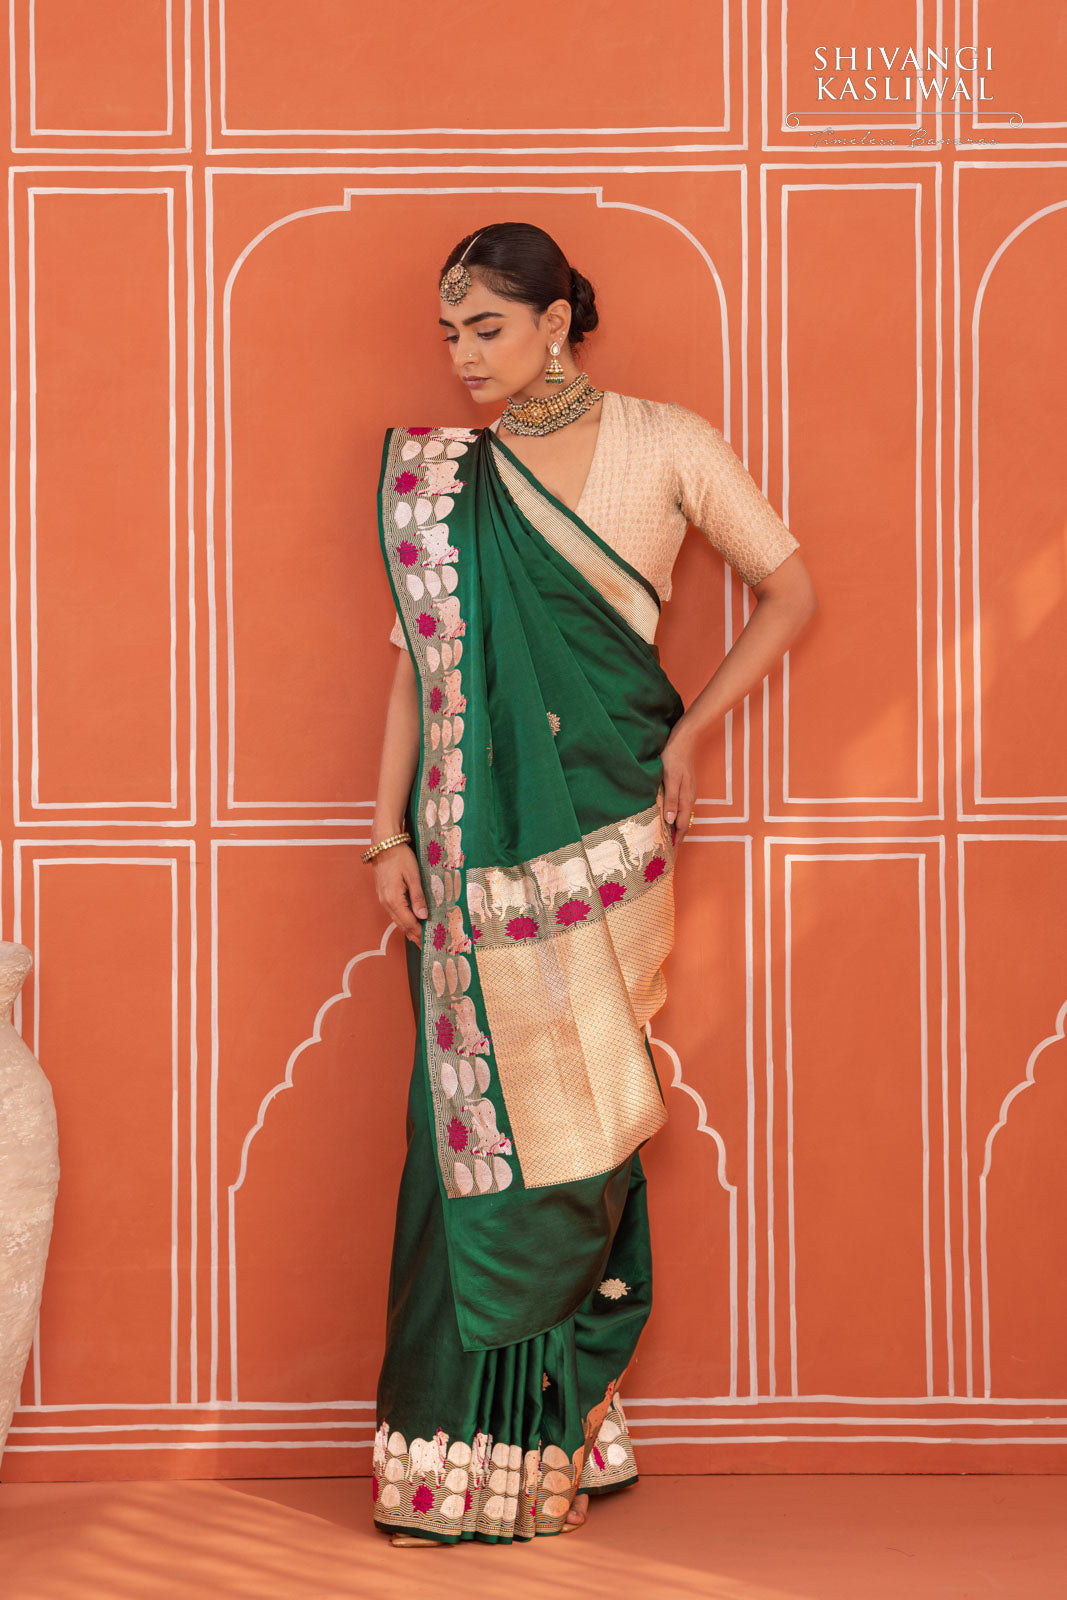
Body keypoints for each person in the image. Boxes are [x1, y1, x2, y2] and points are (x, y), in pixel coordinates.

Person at [366, 222, 817, 1547]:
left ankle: (556, 1421)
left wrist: (692, 735)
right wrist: (383, 835)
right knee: (476, 1133)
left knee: (586, 1127)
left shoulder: (667, 442)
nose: (463, 357)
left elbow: (790, 590)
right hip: (467, 842)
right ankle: (472, 1454)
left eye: (487, 328)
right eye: (450, 334)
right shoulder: (447, 484)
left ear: (558, 320)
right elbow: (418, 671)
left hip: (611, 824)